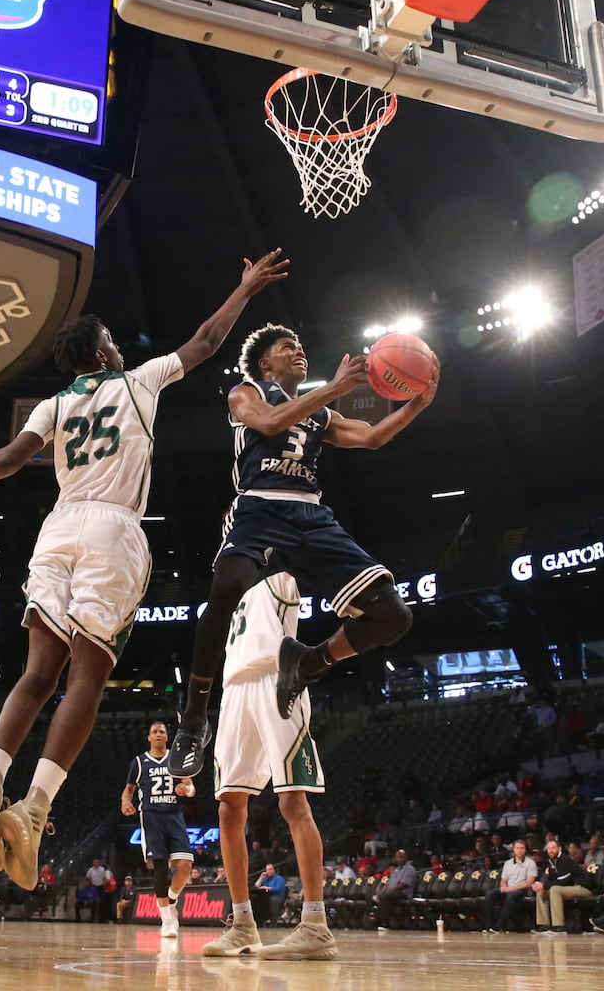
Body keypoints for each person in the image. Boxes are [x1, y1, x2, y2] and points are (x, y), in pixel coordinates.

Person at [0, 250, 290, 891]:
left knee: (36, 672)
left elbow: (11, 458)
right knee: (87, 678)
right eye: (110, 339)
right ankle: (34, 805)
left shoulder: (51, 406)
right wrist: (242, 290)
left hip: (57, 528)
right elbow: (208, 341)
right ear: (102, 354)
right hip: (111, 530)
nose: (117, 346)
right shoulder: (138, 382)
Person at [170, 323, 439, 777]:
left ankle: (307, 662)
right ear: (265, 363)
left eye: (300, 346)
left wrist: (418, 404)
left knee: (394, 617)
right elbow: (272, 422)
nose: (298, 352)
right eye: (286, 348)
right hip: (259, 509)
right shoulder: (244, 392)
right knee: (226, 588)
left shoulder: (320, 415)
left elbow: (372, 437)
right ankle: (194, 719)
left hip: (311, 517)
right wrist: (334, 388)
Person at [202, 574, 336, 961]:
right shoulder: (231, 586)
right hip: (234, 689)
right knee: (228, 806)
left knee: (293, 803)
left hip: (277, 677)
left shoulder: (283, 572)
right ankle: (243, 924)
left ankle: (315, 925)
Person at [121, 720, 198, 938]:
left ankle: (171, 900)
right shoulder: (139, 762)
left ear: (167, 737)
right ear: (149, 737)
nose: (157, 734)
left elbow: (191, 786)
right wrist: (125, 802)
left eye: (161, 731)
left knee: (185, 866)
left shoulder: (176, 759)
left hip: (174, 815)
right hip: (151, 817)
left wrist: (187, 789)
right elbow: (128, 790)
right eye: (154, 731)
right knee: (161, 867)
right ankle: (166, 920)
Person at [532, 838, 591, 934]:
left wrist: (544, 885)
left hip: (583, 888)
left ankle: (559, 926)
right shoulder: (551, 861)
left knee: (554, 890)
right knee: (541, 892)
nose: (550, 850)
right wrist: (539, 885)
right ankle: (544, 925)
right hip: (568, 888)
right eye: (549, 848)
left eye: (553, 848)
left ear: (559, 849)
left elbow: (563, 882)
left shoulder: (565, 859)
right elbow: (551, 880)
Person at [483, 839, 535, 933]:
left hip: (521, 889)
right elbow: (503, 880)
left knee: (511, 896)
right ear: (513, 850)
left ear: (525, 850)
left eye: (522, 848)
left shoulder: (530, 863)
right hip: (508, 888)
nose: (519, 850)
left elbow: (529, 883)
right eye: (517, 848)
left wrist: (512, 889)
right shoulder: (507, 863)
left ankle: (499, 926)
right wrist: (504, 887)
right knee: (490, 894)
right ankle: (488, 926)